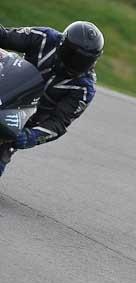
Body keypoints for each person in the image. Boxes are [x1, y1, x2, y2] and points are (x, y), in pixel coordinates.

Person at [0, 21, 104, 176]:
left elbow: (58, 123)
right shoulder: (44, 38)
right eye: (72, 55)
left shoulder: (84, 88)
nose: (76, 63)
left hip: (19, 123)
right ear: (62, 44)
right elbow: (5, 36)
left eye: (84, 61)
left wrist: (30, 136)